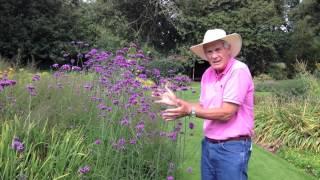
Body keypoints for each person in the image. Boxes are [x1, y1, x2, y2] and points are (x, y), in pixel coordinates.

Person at [155, 29, 254, 180]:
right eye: (209, 51)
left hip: (232, 147)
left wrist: (190, 111)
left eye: (217, 50)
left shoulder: (238, 71)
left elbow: (227, 112)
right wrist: (177, 102)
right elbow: (203, 105)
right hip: (209, 145)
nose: (214, 55)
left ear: (228, 49)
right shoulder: (208, 74)